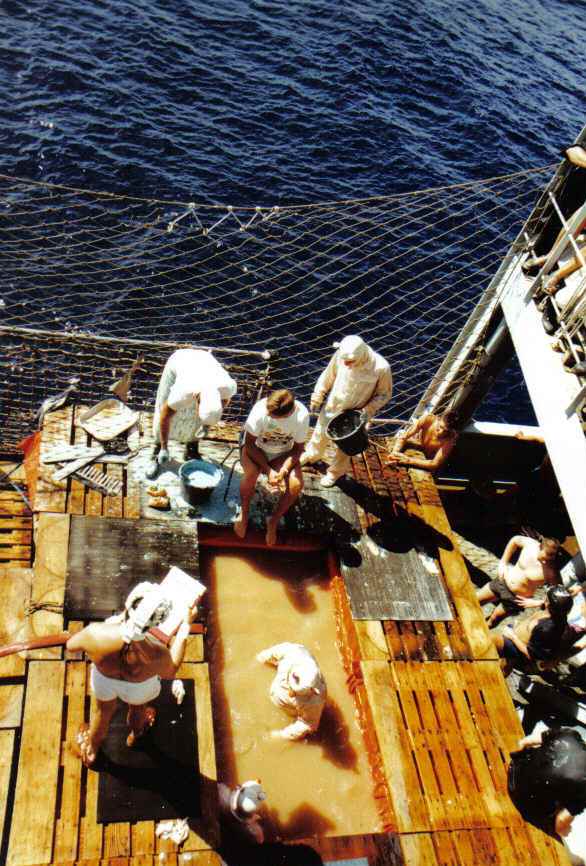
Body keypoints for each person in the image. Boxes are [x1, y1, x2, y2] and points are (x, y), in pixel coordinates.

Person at [67, 581, 198, 767]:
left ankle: (91, 751)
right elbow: (171, 670)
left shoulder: (95, 633)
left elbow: (71, 645)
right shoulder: (157, 652)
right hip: (140, 688)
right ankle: (136, 735)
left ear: (128, 605)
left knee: (102, 713)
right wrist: (186, 625)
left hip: (104, 680)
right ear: (156, 623)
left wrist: (116, 622)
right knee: (138, 709)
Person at [300, 335, 392, 487]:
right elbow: (328, 375)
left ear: (361, 355)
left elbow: (384, 394)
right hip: (334, 405)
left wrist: (366, 410)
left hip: (355, 415)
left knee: (345, 447)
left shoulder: (381, 368)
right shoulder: (341, 356)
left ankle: (334, 473)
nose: (346, 365)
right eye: (345, 362)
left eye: (350, 362)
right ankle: (313, 455)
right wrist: (318, 395)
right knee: (320, 431)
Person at [146, 348, 237, 478]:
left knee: (196, 419)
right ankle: (157, 448)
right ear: (198, 400)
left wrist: (205, 425)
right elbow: (165, 416)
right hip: (180, 361)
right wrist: (164, 448)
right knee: (162, 403)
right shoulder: (184, 391)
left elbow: (225, 401)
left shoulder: (227, 387)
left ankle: (191, 448)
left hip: (205, 361)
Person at [234, 389, 309, 546]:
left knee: (296, 485)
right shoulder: (260, 410)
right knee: (251, 474)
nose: (268, 416)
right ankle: (244, 513)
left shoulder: (302, 416)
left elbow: (297, 449)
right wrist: (268, 470)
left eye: (273, 416)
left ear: (288, 414)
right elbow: (249, 445)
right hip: (256, 449)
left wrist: (284, 470)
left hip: (282, 453)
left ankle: (273, 521)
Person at [508, 726, 586, 849]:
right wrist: (564, 831)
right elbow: (560, 822)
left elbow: (525, 742)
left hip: (513, 773)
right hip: (525, 804)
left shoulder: (570, 734)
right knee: (569, 813)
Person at [477, 535, 560, 627]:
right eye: (543, 558)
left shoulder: (552, 571)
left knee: (492, 620)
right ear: (539, 547)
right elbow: (515, 540)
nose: (545, 562)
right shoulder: (530, 545)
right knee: (475, 600)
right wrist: (503, 562)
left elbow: (558, 595)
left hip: (517, 599)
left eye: (549, 560)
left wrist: (537, 602)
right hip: (503, 581)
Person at [492, 585, 575, 675]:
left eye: (545, 598)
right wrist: (537, 602)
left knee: (490, 641)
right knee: (503, 665)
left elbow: (531, 655)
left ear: (548, 604)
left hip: (519, 648)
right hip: (517, 638)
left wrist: (512, 636)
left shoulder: (547, 629)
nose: (543, 598)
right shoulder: (559, 613)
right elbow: (552, 605)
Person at [256, 642, 327, 740]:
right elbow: (266, 656)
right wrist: (259, 661)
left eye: (295, 693)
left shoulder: (315, 702)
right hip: (278, 688)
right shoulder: (294, 652)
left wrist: (279, 735)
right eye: (292, 689)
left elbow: (306, 724)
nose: (291, 693)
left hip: (291, 709)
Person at [386, 411, 459, 472]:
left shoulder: (450, 439)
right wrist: (395, 453)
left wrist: (408, 460)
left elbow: (434, 464)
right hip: (418, 453)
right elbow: (403, 437)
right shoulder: (427, 419)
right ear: (438, 419)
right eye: (440, 427)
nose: (441, 432)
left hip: (427, 464)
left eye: (446, 431)